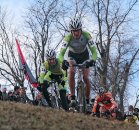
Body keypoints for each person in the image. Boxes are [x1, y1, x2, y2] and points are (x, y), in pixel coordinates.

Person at [58, 17, 97, 112]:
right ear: (71, 31)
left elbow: (94, 51)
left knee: (86, 77)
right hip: (73, 56)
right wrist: (62, 61)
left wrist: (92, 60)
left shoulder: (87, 35)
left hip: (85, 56)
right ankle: (73, 98)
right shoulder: (67, 38)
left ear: (81, 29)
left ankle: (87, 102)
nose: (76, 33)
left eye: (77, 31)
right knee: (71, 71)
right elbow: (61, 54)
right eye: (73, 31)